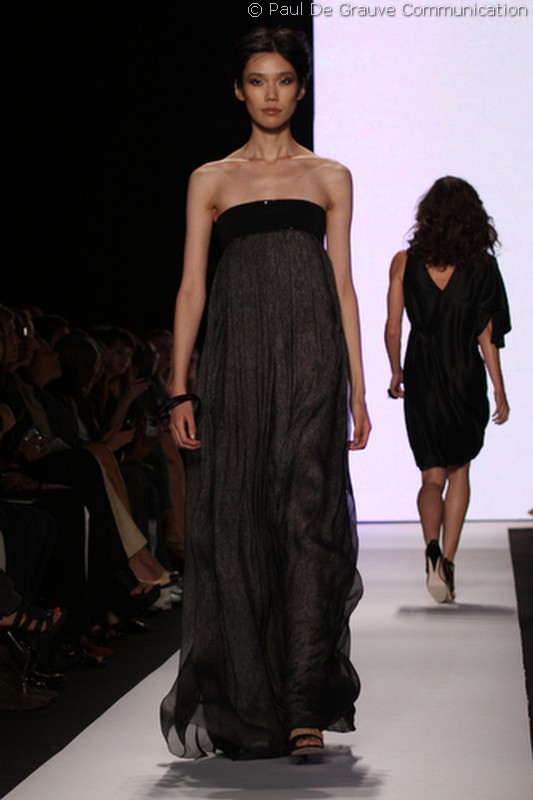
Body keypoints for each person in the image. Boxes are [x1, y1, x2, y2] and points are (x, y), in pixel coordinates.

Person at [160, 26, 370, 761]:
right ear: (238, 89)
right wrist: (178, 387)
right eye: (257, 80)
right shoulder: (210, 179)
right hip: (236, 369)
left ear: (300, 89)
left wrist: (358, 389)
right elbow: (192, 287)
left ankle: (304, 707)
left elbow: (343, 286)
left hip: (312, 361)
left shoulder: (330, 176)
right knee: (242, 525)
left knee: (309, 525)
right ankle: (251, 701)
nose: (271, 94)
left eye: (283, 80)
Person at [385, 176, 511, 603]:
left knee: (430, 475)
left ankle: (430, 547)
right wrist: (499, 389)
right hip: (463, 373)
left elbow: (392, 327)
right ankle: (449, 561)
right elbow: (487, 334)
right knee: (460, 471)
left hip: (422, 373)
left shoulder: (404, 262)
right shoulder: (482, 267)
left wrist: (396, 372)